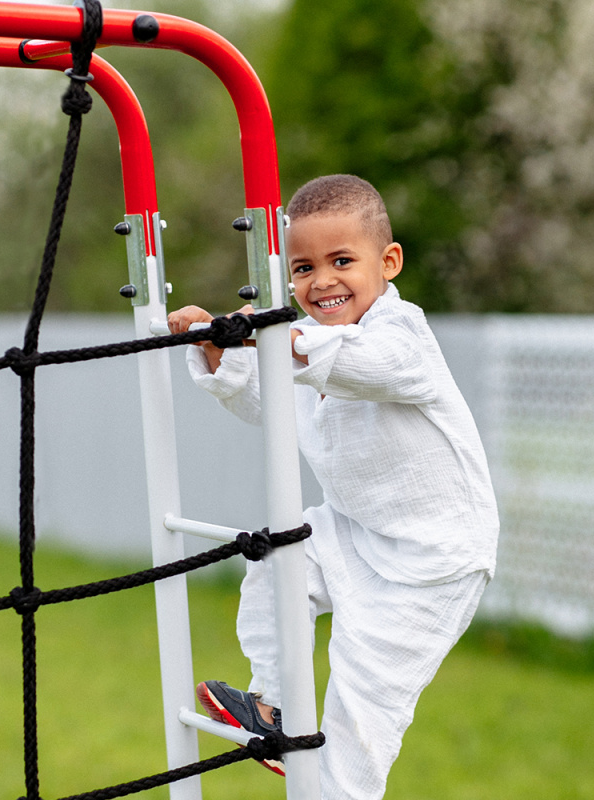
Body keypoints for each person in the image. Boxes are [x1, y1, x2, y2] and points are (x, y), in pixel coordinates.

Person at [167, 174, 499, 798]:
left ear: (388, 262)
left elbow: (363, 364)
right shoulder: (310, 347)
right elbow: (268, 403)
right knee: (273, 558)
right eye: (303, 268)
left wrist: (281, 337)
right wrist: (221, 350)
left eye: (342, 261)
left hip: (434, 562)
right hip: (354, 528)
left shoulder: (402, 337)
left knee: (359, 719)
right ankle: (272, 702)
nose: (322, 282)